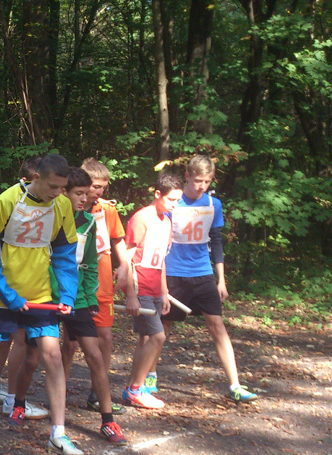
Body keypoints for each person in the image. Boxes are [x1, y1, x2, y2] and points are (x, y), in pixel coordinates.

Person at [0, 154, 84, 455]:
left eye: (62, 187)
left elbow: (65, 254)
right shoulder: (6, 202)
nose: (58, 193)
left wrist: (67, 295)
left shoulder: (62, 206)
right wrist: (9, 295)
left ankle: (58, 433)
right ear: (36, 177)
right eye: (53, 186)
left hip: (39, 295)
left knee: (52, 357)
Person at [159, 155, 257, 403]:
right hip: (174, 273)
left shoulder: (214, 204)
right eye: (197, 180)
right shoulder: (173, 201)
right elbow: (160, 239)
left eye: (207, 181)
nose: (201, 186)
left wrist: (221, 279)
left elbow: (217, 241)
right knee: (164, 327)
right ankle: (149, 376)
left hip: (202, 273)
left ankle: (235, 385)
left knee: (217, 326)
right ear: (187, 176)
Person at [0, 156, 48, 423]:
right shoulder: (9, 202)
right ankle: (12, 400)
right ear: (31, 180)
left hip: (28, 284)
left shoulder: (51, 205)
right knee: (16, 340)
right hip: (6, 288)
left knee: (10, 338)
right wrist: (7, 292)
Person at [57, 167, 126, 444]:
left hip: (79, 298)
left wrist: (89, 296)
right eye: (79, 193)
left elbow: (89, 263)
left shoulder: (88, 221)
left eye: (87, 193)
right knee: (37, 354)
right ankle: (20, 403)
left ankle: (108, 421)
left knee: (94, 354)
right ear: (64, 193)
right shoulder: (50, 217)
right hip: (49, 295)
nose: (85, 199)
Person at [121, 172, 183, 408]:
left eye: (178, 201)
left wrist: (164, 292)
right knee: (158, 336)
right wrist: (131, 294)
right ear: (158, 194)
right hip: (141, 287)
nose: (174, 205)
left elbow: (162, 260)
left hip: (156, 288)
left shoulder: (166, 221)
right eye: (171, 200)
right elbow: (127, 258)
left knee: (146, 338)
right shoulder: (140, 218)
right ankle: (136, 389)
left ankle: (134, 387)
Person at [79, 158, 129, 411]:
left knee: (105, 337)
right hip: (77, 283)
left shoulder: (107, 209)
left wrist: (125, 265)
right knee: (71, 343)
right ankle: (59, 391)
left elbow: (118, 239)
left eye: (103, 187)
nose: (99, 192)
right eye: (96, 186)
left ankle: (98, 393)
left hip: (103, 283)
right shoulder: (69, 206)